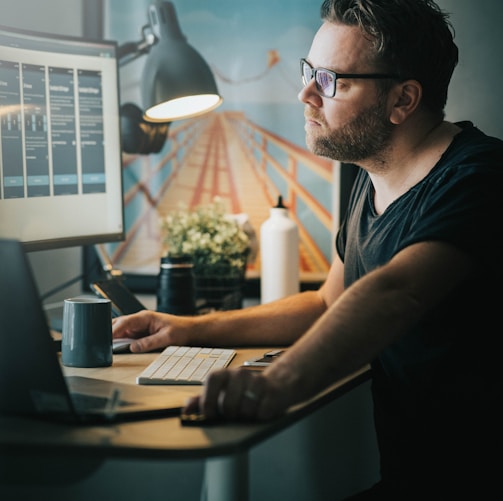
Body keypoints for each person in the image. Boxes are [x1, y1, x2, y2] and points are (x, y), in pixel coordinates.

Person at [113, 0, 503, 498]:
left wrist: (279, 382)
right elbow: (327, 303)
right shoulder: (375, 178)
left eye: (330, 79)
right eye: (309, 72)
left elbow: (397, 290)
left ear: (403, 100)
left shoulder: (480, 178)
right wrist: (186, 328)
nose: (305, 93)